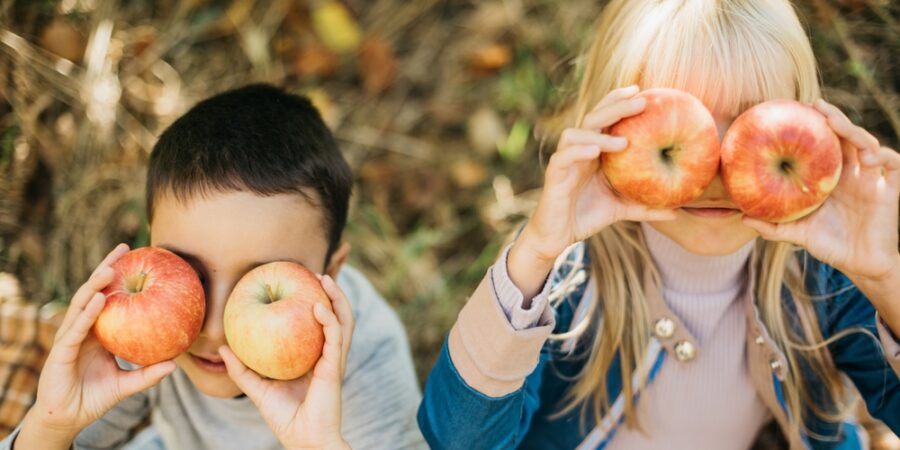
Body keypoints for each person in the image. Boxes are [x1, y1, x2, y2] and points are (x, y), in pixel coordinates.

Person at [417, 1, 900, 448]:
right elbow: (457, 441)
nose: (714, 170)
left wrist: (884, 279)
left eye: (752, 122)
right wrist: (538, 251)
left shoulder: (821, 284)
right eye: (683, 128)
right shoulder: (562, 287)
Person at [4, 84, 425, 449]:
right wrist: (52, 424)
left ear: (331, 273)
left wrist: (318, 444)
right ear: (150, 252)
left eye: (256, 281)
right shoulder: (148, 321)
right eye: (191, 276)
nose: (212, 328)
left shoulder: (369, 359)